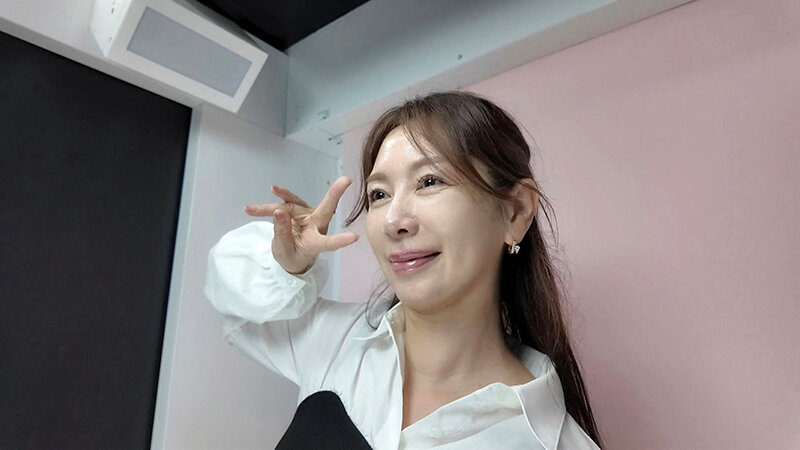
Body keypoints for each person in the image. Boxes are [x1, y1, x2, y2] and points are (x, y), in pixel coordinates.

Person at [205, 91, 603, 449]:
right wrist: (290, 268)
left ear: (515, 211)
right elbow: (237, 312)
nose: (394, 220)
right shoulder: (338, 340)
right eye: (379, 194)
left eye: (429, 181)